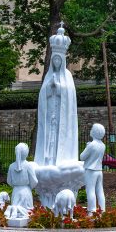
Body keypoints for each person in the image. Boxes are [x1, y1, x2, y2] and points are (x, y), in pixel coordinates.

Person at [35, 24, 78, 166]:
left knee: (59, 136)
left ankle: (60, 159)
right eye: (55, 60)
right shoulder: (49, 76)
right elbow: (42, 95)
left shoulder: (68, 76)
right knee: (49, 137)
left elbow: (70, 95)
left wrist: (58, 87)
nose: (57, 62)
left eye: (59, 60)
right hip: (50, 113)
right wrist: (48, 88)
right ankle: (48, 160)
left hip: (61, 114)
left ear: (63, 60)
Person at [6, 143, 38, 217]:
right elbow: (34, 181)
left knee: (15, 211)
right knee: (27, 213)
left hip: (15, 192)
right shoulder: (28, 165)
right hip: (26, 192)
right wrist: (29, 187)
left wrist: (16, 186)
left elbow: (9, 181)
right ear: (26, 153)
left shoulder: (11, 166)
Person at [80, 124, 106, 215]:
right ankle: (102, 211)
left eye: (92, 129)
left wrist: (87, 147)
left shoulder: (92, 145)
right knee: (100, 191)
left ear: (94, 132)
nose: (90, 130)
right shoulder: (103, 145)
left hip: (91, 171)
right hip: (99, 171)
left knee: (90, 191)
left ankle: (91, 212)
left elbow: (82, 157)